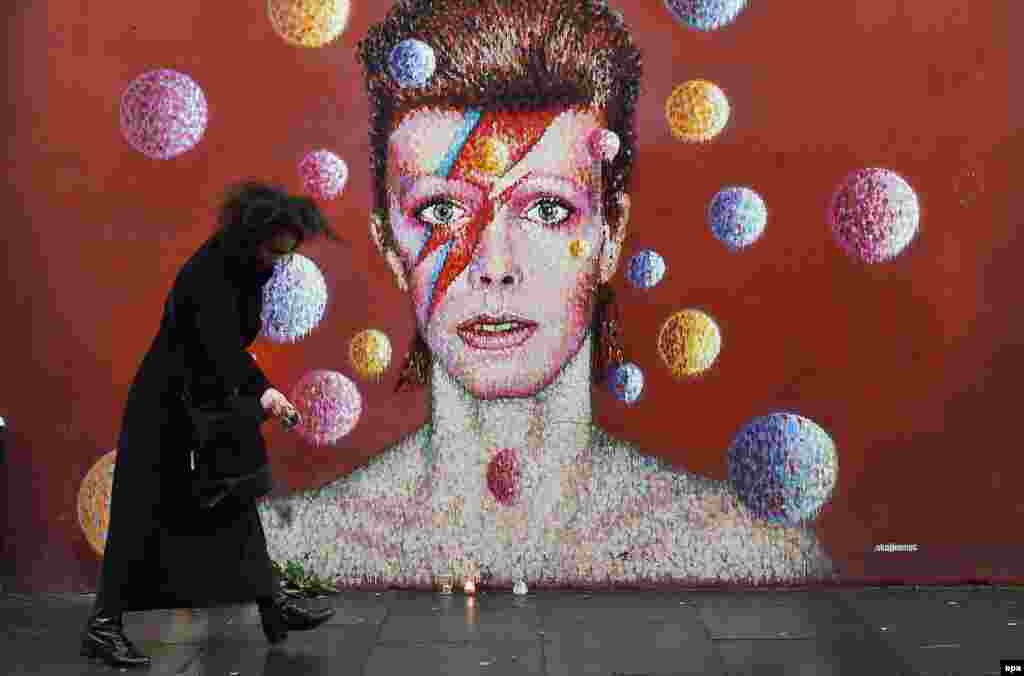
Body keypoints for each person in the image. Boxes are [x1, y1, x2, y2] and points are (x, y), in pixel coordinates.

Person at [259, 0, 836, 588]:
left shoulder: (746, 553)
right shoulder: (302, 551)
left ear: (609, 236)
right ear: (388, 245)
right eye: (441, 209)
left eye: (547, 208)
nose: (494, 264)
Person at [81, 181, 339, 668]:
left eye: (286, 252)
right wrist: (265, 391)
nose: (278, 262)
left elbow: (226, 352)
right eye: (274, 250)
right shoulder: (211, 274)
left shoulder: (247, 268)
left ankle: (273, 607)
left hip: (204, 400)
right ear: (252, 235)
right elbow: (218, 346)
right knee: (140, 510)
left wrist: (256, 391)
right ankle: (102, 627)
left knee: (235, 501)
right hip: (164, 403)